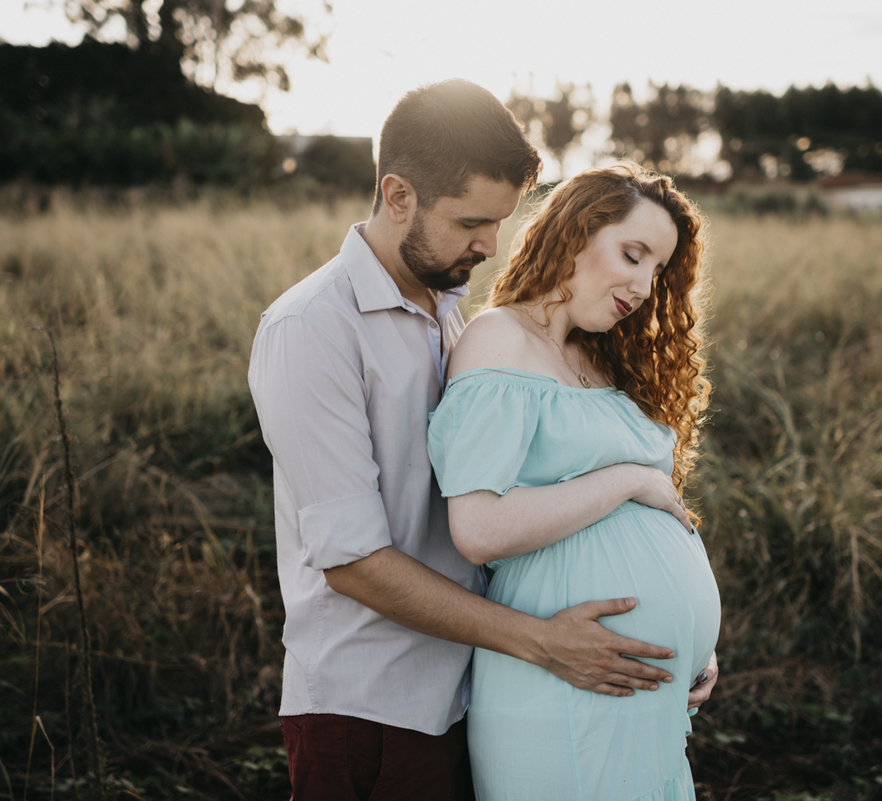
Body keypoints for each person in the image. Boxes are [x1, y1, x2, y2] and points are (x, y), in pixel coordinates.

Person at [248, 81, 717, 800]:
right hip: (372, 705)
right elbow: (353, 561)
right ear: (397, 195)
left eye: (500, 223)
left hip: (468, 684)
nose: (490, 245)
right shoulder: (313, 327)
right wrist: (542, 640)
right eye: (472, 221)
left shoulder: (448, 315)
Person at [427, 163, 721, 800]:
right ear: (574, 233)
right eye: (632, 254)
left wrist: (696, 642)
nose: (644, 286)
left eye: (657, 270)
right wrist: (626, 481)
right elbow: (477, 528)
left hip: (645, 691)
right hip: (560, 689)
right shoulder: (498, 338)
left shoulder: (601, 358)